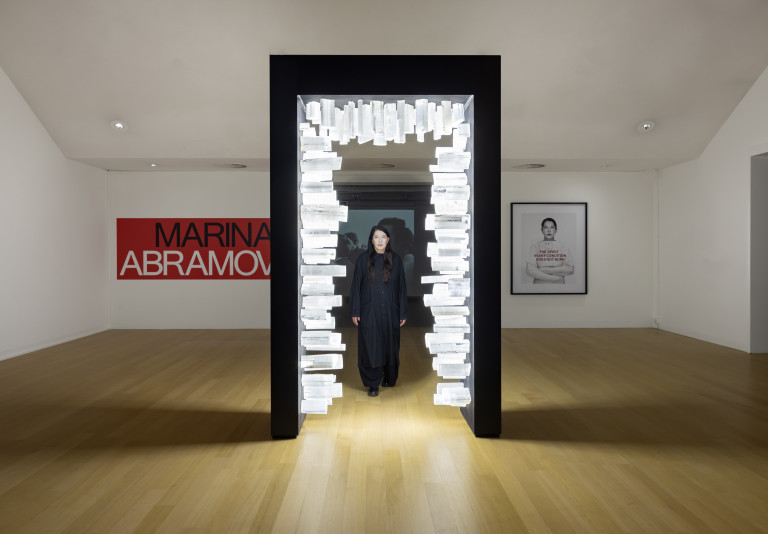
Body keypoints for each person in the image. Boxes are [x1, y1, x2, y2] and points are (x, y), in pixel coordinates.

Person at [349, 225, 408, 397]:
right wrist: (355, 311)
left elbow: (402, 288)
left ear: (388, 240)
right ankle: (373, 383)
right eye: (376, 237)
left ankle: (389, 378)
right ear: (372, 240)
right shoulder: (362, 260)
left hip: (391, 310)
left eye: (383, 237)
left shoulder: (396, 260)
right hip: (369, 311)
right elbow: (356, 286)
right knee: (371, 346)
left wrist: (402, 312)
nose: (380, 240)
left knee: (390, 345)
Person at [525, 217, 574, 284]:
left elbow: (570, 269)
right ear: (542, 230)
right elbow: (529, 270)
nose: (549, 230)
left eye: (552, 227)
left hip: (559, 287)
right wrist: (553, 278)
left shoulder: (563, 246)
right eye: (545, 227)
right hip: (539, 287)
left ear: (556, 230)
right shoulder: (535, 246)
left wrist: (545, 269)